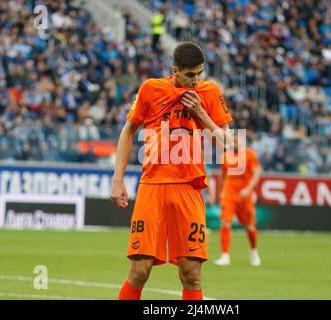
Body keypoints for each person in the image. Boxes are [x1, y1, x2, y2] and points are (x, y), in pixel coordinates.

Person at [111, 42, 233, 300]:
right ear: (175, 71)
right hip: (152, 186)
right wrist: (117, 180)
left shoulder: (209, 92)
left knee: (191, 274)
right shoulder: (151, 88)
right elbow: (128, 131)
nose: (196, 80)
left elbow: (227, 143)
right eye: (190, 75)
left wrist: (200, 113)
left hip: (189, 187)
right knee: (139, 270)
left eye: (200, 73)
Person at [214, 134, 262, 266]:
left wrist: (248, 189)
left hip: (244, 196)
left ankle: (253, 252)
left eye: (236, 140)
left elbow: (257, 173)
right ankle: (225, 255)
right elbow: (222, 176)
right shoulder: (225, 156)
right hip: (229, 195)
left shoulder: (250, 155)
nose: (234, 142)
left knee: (250, 226)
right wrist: (221, 193)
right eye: (232, 140)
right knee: (225, 223)